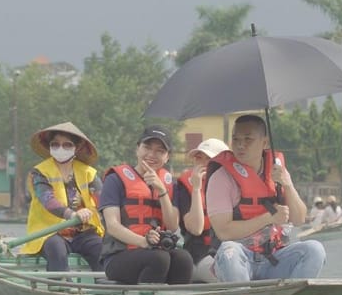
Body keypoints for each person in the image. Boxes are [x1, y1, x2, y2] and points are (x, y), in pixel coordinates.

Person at [206, 114, 326, 282]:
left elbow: (298, 219)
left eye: (248, 139)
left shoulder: (277, 172)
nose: (240, 145)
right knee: (229, 250)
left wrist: (287, 185)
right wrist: (269, 218)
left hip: (274, 258)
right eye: (236, 139)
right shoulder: (221, 178)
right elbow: (224, 232)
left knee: (315, 249)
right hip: (240, 259)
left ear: (265, 143)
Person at [99, 125, 193, 284]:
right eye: (147, 148)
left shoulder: (169, 185)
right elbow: (113, 226)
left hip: (156, 252)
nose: (152, 155)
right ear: (137, 149)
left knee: (184, 259)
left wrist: (162, 191)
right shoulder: (115, 180)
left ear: (167, 157)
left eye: (160, 151)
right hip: (119, 255)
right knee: (158, 258)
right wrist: (144, 242)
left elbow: (171, 226)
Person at [19, 122, 106, 273]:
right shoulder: (39, 172)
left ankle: (103, 289)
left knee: (100, 248)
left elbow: (103, 201)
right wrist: (73, 214)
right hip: (49, 232)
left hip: (83, 232)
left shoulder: (88, 172)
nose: (61, 149)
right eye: (55, 144)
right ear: (49, 146)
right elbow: (48, 201)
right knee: (56, 249)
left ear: (76, 147)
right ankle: (60, 288)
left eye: (67, 145)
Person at [175, 137, 230, 283]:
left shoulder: (232, 185)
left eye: (209, 159)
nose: (203, 163)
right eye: (199, 158)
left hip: (230, 251)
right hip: (200, 254)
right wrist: (196, 189)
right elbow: (195, 228)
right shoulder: (185, 187)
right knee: (229, 278)